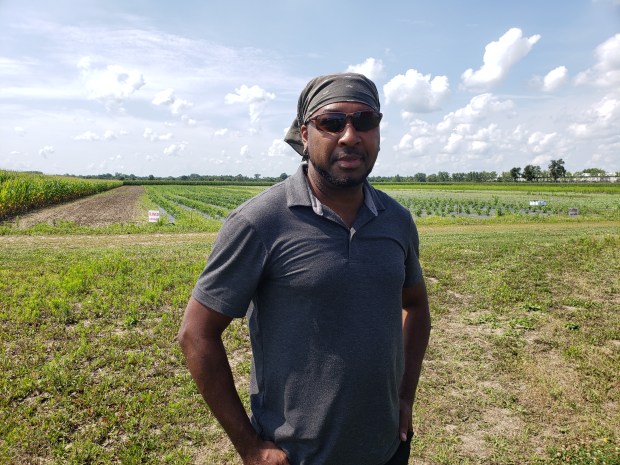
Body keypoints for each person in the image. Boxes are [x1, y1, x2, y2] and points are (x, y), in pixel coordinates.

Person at [178, 72, 431, 465]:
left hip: (387, 449)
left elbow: (415, 305)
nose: (350, 135)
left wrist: (404, 396)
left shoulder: (396, 219)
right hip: (297, 456)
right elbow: (196, 334)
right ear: (304, 133)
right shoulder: (260, 222)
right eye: (331, 122)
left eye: (365, 121)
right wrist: (249, 444)